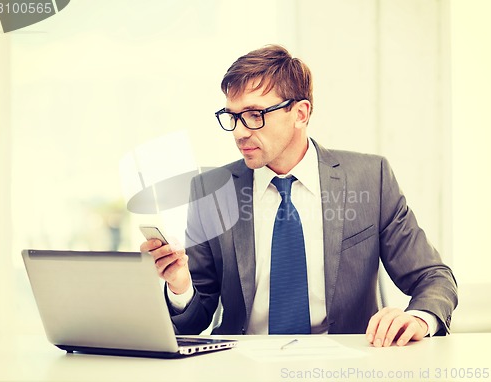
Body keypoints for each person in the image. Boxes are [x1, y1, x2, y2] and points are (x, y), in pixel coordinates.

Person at [140, 45, 457, 347]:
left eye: (254, 114)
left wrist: (419, 318)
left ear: (301, 113)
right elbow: (193, 321)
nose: (239, 132)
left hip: (346, 366)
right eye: (232, 116)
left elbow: (433, 277)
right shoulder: (210, 190)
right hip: (242, 367)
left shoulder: (369, 178)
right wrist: (179, 286)